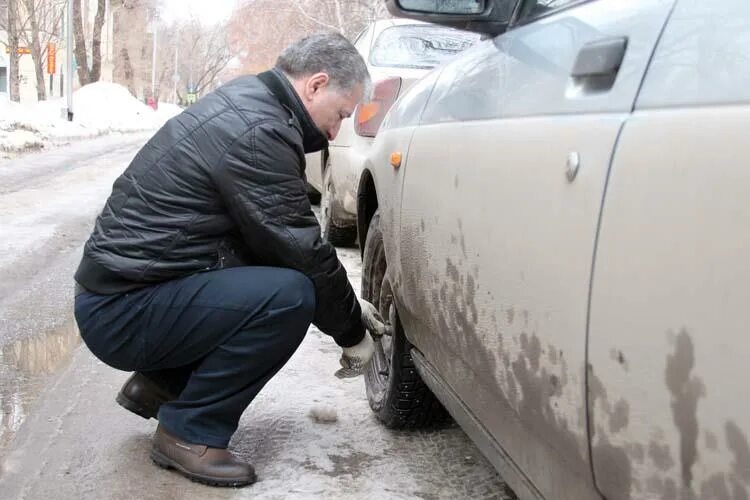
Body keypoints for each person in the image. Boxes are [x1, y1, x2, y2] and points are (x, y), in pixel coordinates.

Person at [73, 32, 385, 487]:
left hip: (122, 294)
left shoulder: (250, 104)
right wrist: (351, 330)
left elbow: (272, 243)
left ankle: (160, 385)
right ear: (316, 85)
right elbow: (302, 249)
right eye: (340, 114)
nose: (336, 131)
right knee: (288, 296)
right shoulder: (259, 129)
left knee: (270, 274)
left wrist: (347, 309)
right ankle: (188, 433)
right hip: (122, 310)